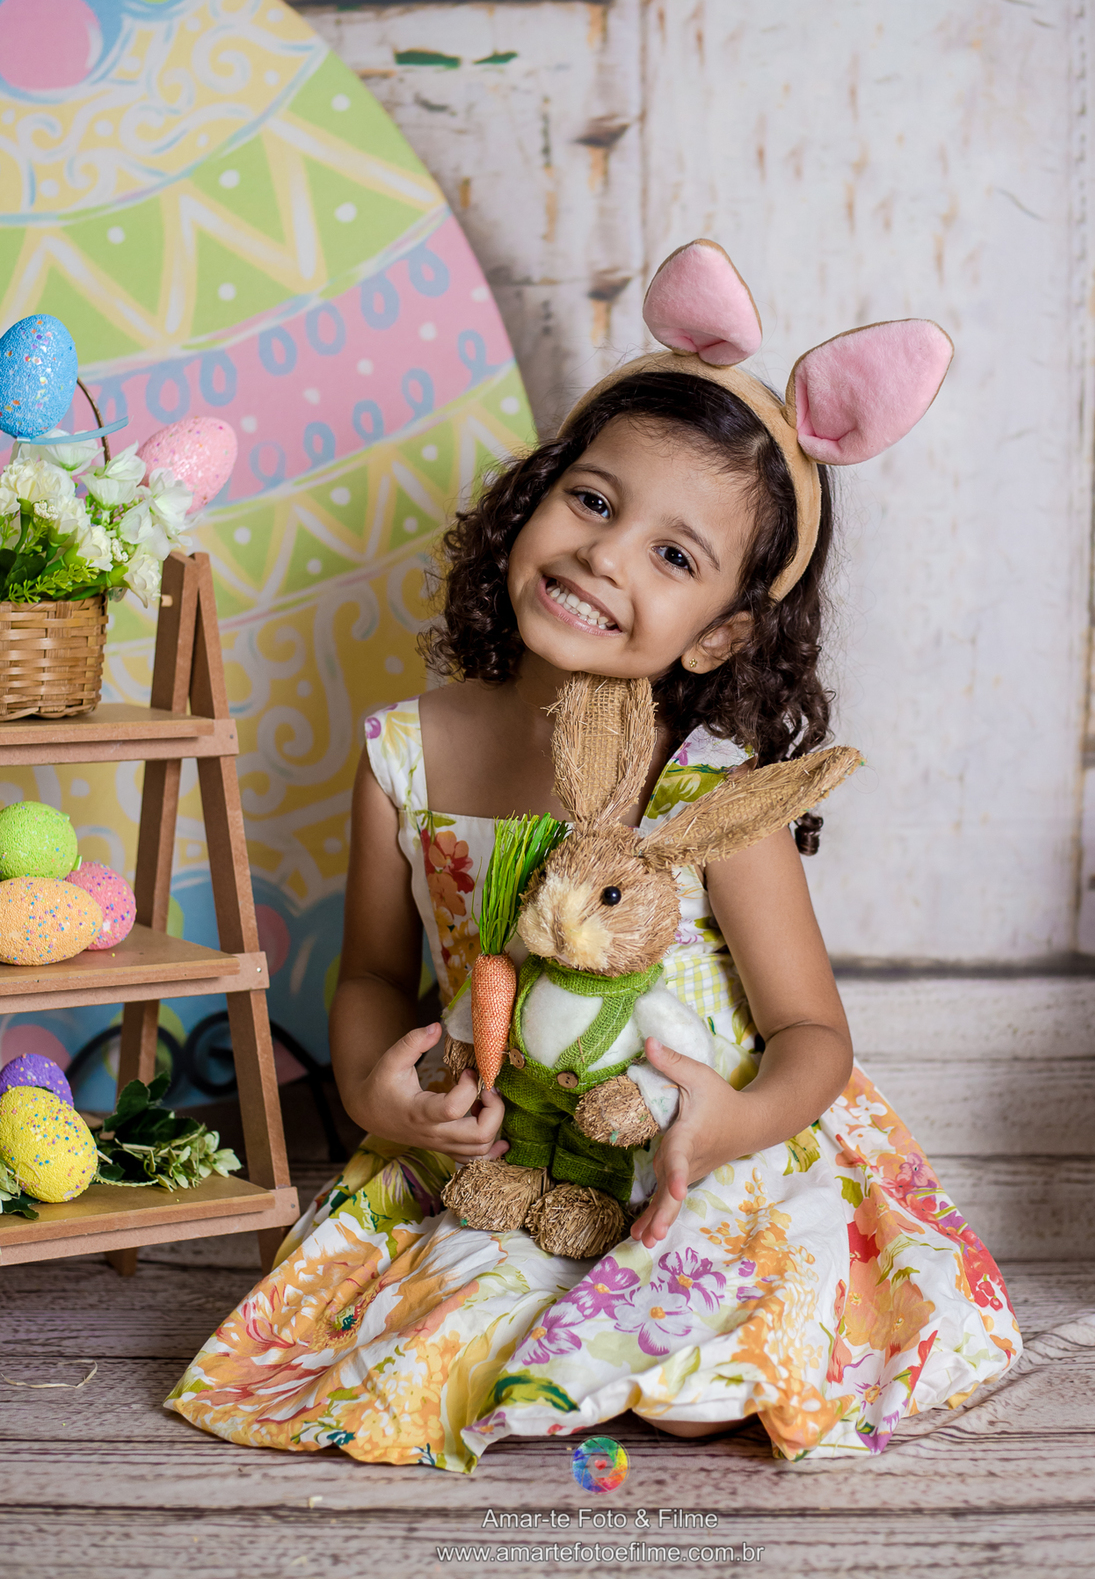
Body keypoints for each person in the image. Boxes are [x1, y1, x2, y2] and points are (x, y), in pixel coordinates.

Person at [168, 241, 1020, 1469]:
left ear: (723, 634)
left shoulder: (709, 795)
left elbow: (814, 1039)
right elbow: (367, 979)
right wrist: (377, 1095)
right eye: (594, 501)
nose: (606, 557)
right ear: (539, 494)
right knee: (419, 1339)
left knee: (712, 1336)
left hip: (695, 1143)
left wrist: (730, 1124)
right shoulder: (408, 754)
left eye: (674, 557)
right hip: (506, 1145)